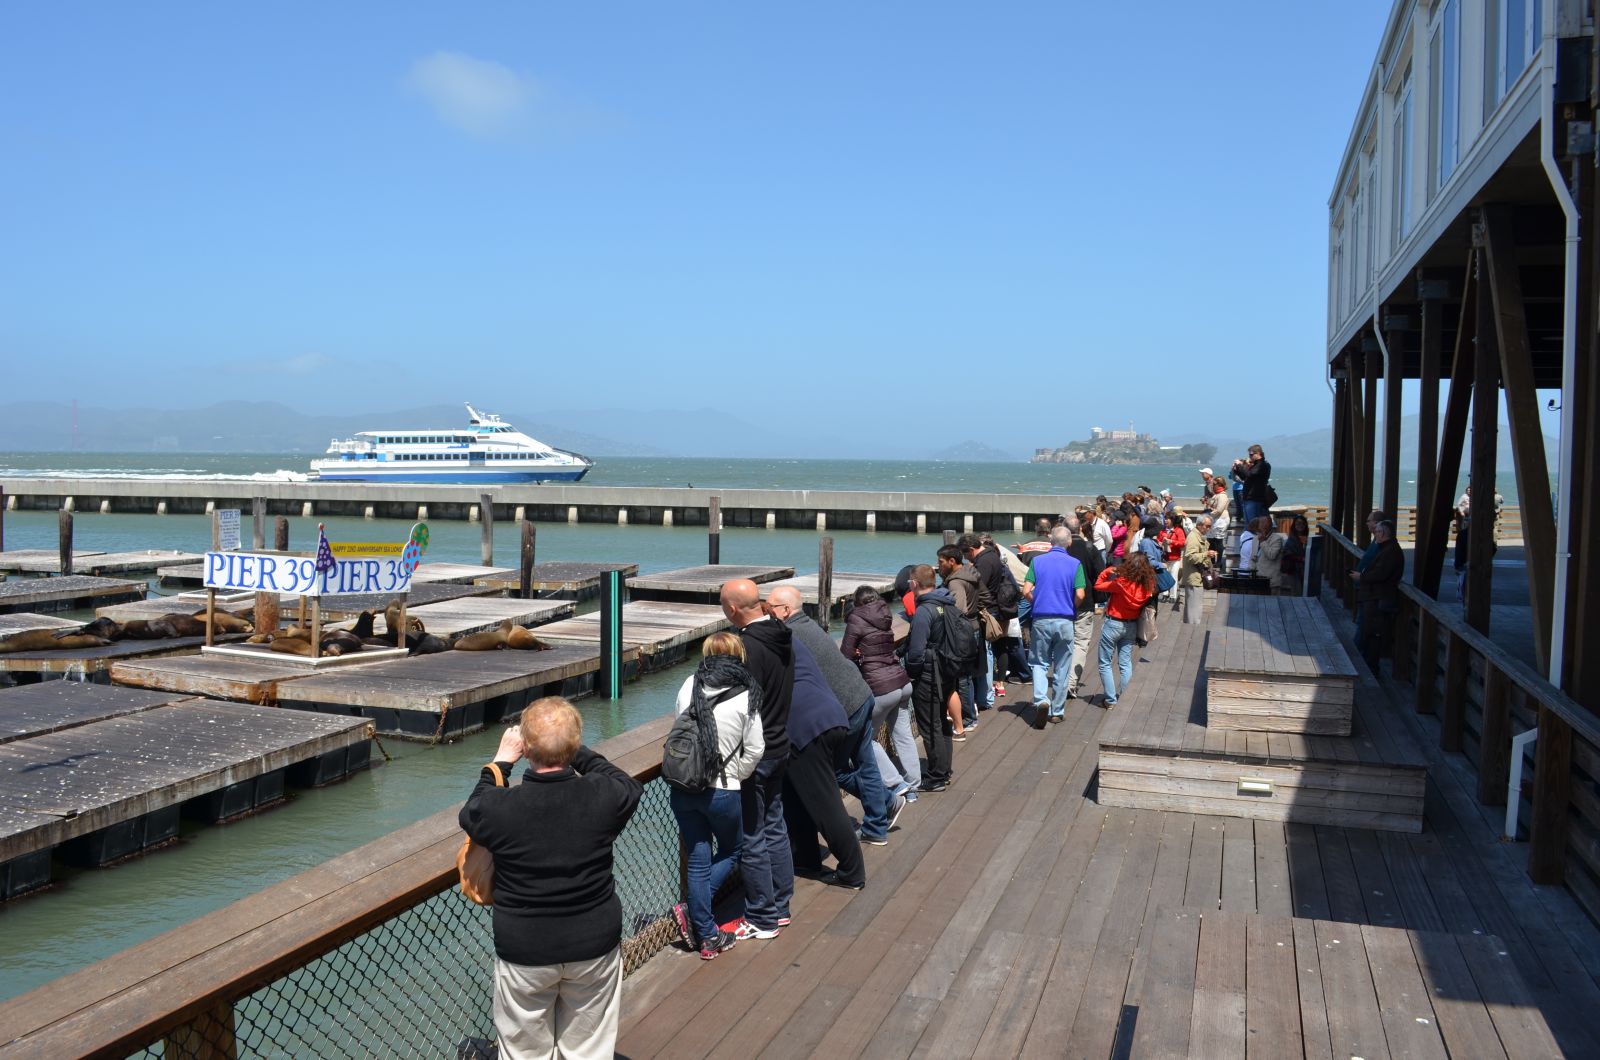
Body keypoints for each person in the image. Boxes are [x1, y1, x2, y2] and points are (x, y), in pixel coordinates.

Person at [459, 697, 642, 1060]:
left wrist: (499, 763)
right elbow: (626, 783)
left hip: (525, 948)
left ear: (525, 748)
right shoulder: (603, 796)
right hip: (594, 943)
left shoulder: (502, 808)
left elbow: (474, 808)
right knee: (588, 1049)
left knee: (524, 1051)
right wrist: (573, 750)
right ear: (574, 747)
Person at [768, 585, 899, 846]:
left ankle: (885, 801)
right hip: (861, 695)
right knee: (865, 763)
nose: (766, 613)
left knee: (833, 771)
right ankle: (877, 824)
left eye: (769, 608)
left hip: (845, 706)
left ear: (784, 610)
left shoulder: (790, 634)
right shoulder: (808, 624)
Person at [668, 633, 765, 960]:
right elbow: (755, 748)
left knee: (697, 856)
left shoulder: (689, 684)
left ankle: (706, 934)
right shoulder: (745, 693)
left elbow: (679, 727)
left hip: (683, 787)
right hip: (722, 789)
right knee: (733, 848)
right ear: (739, 655)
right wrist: (739, 774)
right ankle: (698, 914)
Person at [718, 578, 793, 941]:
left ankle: (762, 916)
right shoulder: (782, 635)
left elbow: (740, 707)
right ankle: (780, 906)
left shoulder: (746, 647)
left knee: (752, 834)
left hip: (756, 752)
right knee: (775, 825)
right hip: (781, 743)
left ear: (732, 609)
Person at [782, 641, 866, 890]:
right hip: (830, 716)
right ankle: (806, 858)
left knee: (826, 804)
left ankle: (852, 871)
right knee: (796, 795)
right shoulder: (792, 640)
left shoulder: (759, 646)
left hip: (806, 729)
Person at [841, 584, 919, 799]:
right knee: (903, 735)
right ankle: (912, 787)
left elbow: (844, 656)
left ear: (857, 603)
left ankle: (896, 784)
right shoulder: (886, 615)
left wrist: (858, 655)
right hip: (902, 682)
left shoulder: (856, 618)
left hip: (882, 687)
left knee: (865, 739)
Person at [1020, 525, 1086, 727]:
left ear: (1051, 542)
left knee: (1039, 663)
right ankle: (1057, 710)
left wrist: (1036, 602)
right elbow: (1081, 594)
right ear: (1069, 542)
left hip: (1041, 618)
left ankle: (1041, 700)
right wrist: (1070, 608)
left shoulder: (1038, 561)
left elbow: (1026, 590)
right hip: (1065, 619)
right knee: (1063, 665)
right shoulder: (1075, 563)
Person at [903, 564, 955, 793]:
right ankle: (944, 770)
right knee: (942, 722)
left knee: (930, 724)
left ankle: (936, 777)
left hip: (929, 673)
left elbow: (916, 651)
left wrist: (910, 673)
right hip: (947, 669)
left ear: (914, 584)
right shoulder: (946, 601)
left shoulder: (924, 610)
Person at [1095, 553, 1156, 706]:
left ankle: (1110, 699)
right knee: (1125, 663)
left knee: (1104, 663)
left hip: (1113, 623)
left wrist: (1106, 572)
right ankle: (1126, 698)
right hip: (1131, 625)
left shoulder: (1120, 583)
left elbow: (1098, 586)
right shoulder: (1147, 586)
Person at [936, 543, 983, 735]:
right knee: (967, 677)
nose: (938, 566)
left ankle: (968, 717)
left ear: (951, 561)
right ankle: (970, 712)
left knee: (962, 678)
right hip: (974, 627)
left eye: (940, 562)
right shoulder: (969, 573)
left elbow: (958, 609)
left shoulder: (955, 582)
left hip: (963, 632)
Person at [1349, 519, 1404, 671]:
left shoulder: (1391, 550)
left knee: (1373, 634)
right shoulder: (1386, 549)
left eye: (1377, 532)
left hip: (1377, 597)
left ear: (1383, 533)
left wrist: (1362, 577)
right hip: (1373, 596)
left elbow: (1381, 574)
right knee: (1369, 632)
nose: (1375, 534)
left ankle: (1371, 667)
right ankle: (1368, 664)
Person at [1062, 515, 1103, 698]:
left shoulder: (1060, 549)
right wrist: (1099, 599)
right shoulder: (1089, 548)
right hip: (1084, 602)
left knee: (1063, 642)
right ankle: (1071, 683)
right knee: (1080, 643)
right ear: (1080, 529)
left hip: (1061, 602)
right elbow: (1100, 575)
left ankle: (1061, 678)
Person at [1179, 514, 1216, 624]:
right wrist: (1206, 554)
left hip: (1196, 577)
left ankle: (1188, 632)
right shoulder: (1193, 537)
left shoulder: (1197, 536)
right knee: (1194, 610)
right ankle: (1192, 633)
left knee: (1192, 609)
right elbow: (1190, 557)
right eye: (1207, 526)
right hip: (1194, 577)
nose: (1209, 528)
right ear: (1199, 525)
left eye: (1210, 526)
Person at [1233, 445, 1274, 526]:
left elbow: (1250, 474)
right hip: (1249, 499)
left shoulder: (1263, 465)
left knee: (1252, 525)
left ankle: (1253, 538)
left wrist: (1240, 466)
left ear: (1258, 453)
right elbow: (1245, 477)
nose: (1249, 457)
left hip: (1255, 499)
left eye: (1251, 454)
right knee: (1249, 524)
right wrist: (1237, 469)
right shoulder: (1255, 465)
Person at [1255, 517, 1293, 594]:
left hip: (1271, 581)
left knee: (1271, 605)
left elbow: (1272, 555)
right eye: (1261, 523)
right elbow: (1254, 557)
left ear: (1270, 525)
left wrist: (1263, 542)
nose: (1263, 526)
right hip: (1258, 579)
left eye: (1265, 523)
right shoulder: (1256, 538)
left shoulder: (1277, 539)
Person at [1160, 512, 1186, 606]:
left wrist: (1172, 541)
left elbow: (1183, 543)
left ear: (1172, 520)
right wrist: (1160, 543)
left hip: (1175, 558)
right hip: (1165, 558)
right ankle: (1165, 594)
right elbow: (1158, 540)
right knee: (1164, 576)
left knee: (1173, 576)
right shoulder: (1162, 531)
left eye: (1168, 519)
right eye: (1165, 519)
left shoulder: (1178, 530)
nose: (1166, 520)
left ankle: (1173, 595)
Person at [1205, 478, 1231, 569]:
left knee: (1218, 540)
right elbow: (1212, 505)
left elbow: (1219, 510)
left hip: (1220, 520)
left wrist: (1208, 514)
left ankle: (1219, 562)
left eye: (1214, 484)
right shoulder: (1216, 495)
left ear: (1220, 485)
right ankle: (1211, 561)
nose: (1213, 485)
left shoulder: (1222, 496)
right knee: (1211, 540)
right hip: (1214, 519)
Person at [1280, 513, 1309, 592]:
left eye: (1303, 523)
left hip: (1305, 570)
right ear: (1294, 525)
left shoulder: (1308, 539)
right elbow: (1287, 555)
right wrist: (1302, 559)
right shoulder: (1291, 540)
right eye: (1298, 523)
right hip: (1293, 570)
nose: (1300, 525)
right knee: (1297, 592)